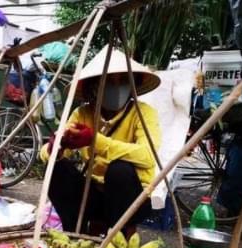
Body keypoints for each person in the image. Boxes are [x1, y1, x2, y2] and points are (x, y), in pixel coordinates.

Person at [40, 46, 162, 235]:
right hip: (94, 195)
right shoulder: (82, 114)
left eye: (122, 81)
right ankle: (73, 233)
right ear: (95, 86)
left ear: (132, 85)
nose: (117, 87)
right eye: (108, 82)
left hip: (131, 199)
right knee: (56, 168)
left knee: (120, 170)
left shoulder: (143, 113)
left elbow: (148, 156)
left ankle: (121, 236)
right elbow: (48, 154)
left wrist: (95, 140)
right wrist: (58, 146)